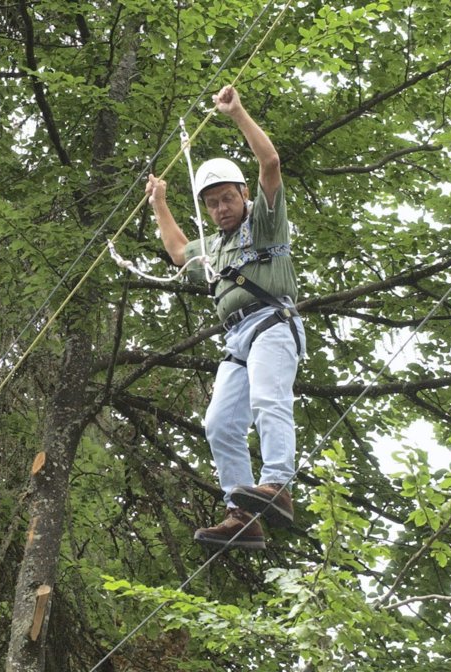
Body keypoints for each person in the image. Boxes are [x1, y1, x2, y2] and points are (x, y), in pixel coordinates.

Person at [145, 85, 306, 551]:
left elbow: (270, 164)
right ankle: (242, 516)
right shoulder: (213, 246)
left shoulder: (265, 221)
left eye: (226, 199)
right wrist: (159, 202)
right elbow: (178, 250)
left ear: (242, 193)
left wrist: (236, 114)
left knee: (269, 400)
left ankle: (277, 485)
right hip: (237, 339)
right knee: (219, 423)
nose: (219, 209)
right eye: (211, 203)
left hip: (272, 323)